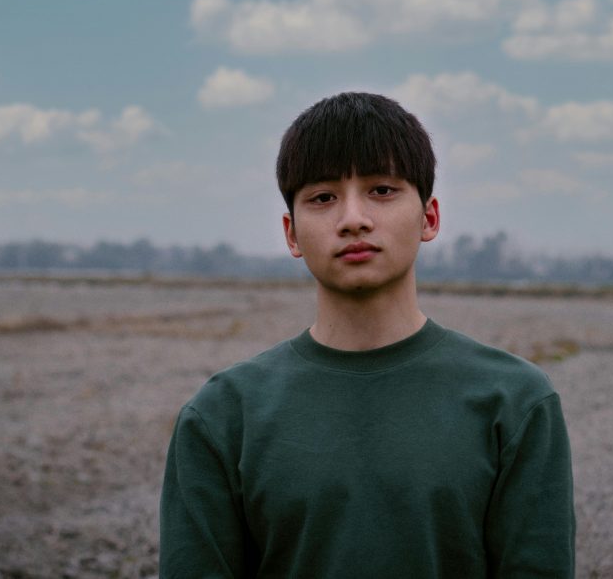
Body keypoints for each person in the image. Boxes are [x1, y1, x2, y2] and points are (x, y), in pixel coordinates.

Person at [159, 92, 575, 578]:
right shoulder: (223, 415)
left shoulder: (516, 403)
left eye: (382, 190)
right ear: (292, 234)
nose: (353, 218)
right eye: (323, 197)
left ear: (430, 218)